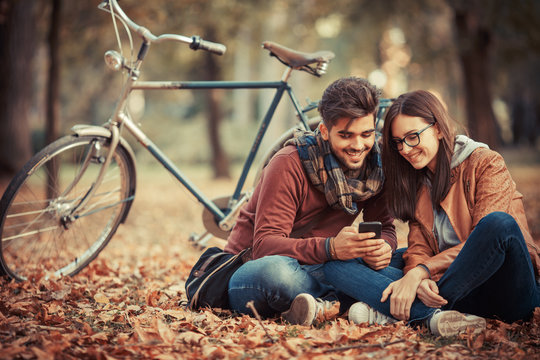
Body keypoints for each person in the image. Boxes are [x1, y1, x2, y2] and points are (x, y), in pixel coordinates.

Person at [323, 90, 540, 337]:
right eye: (398, 142)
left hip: (508, 288)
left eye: (412, 137)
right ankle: (436, 316)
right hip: (454, 289)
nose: (405, 149)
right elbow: (418, 247)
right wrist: (417, 270)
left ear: (437, 128)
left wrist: (421, 272)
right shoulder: (417, 180)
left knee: (498, 223)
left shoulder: (486, 163)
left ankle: (400, 311)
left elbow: (487, 243)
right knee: (340, 265)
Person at [223, 77, 397, 326]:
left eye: (367, 134)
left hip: (324, 269)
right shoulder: (289, 162)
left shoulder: (374, 167)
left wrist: (383, 248)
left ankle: (322, 305)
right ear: (325, 131)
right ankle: (353, 302)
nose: (359, 145)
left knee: (406, 257)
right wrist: (331, 249)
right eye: (346, 135)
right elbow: (264, 246)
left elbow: (386, 228)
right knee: (277, 273)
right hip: (253, 272)